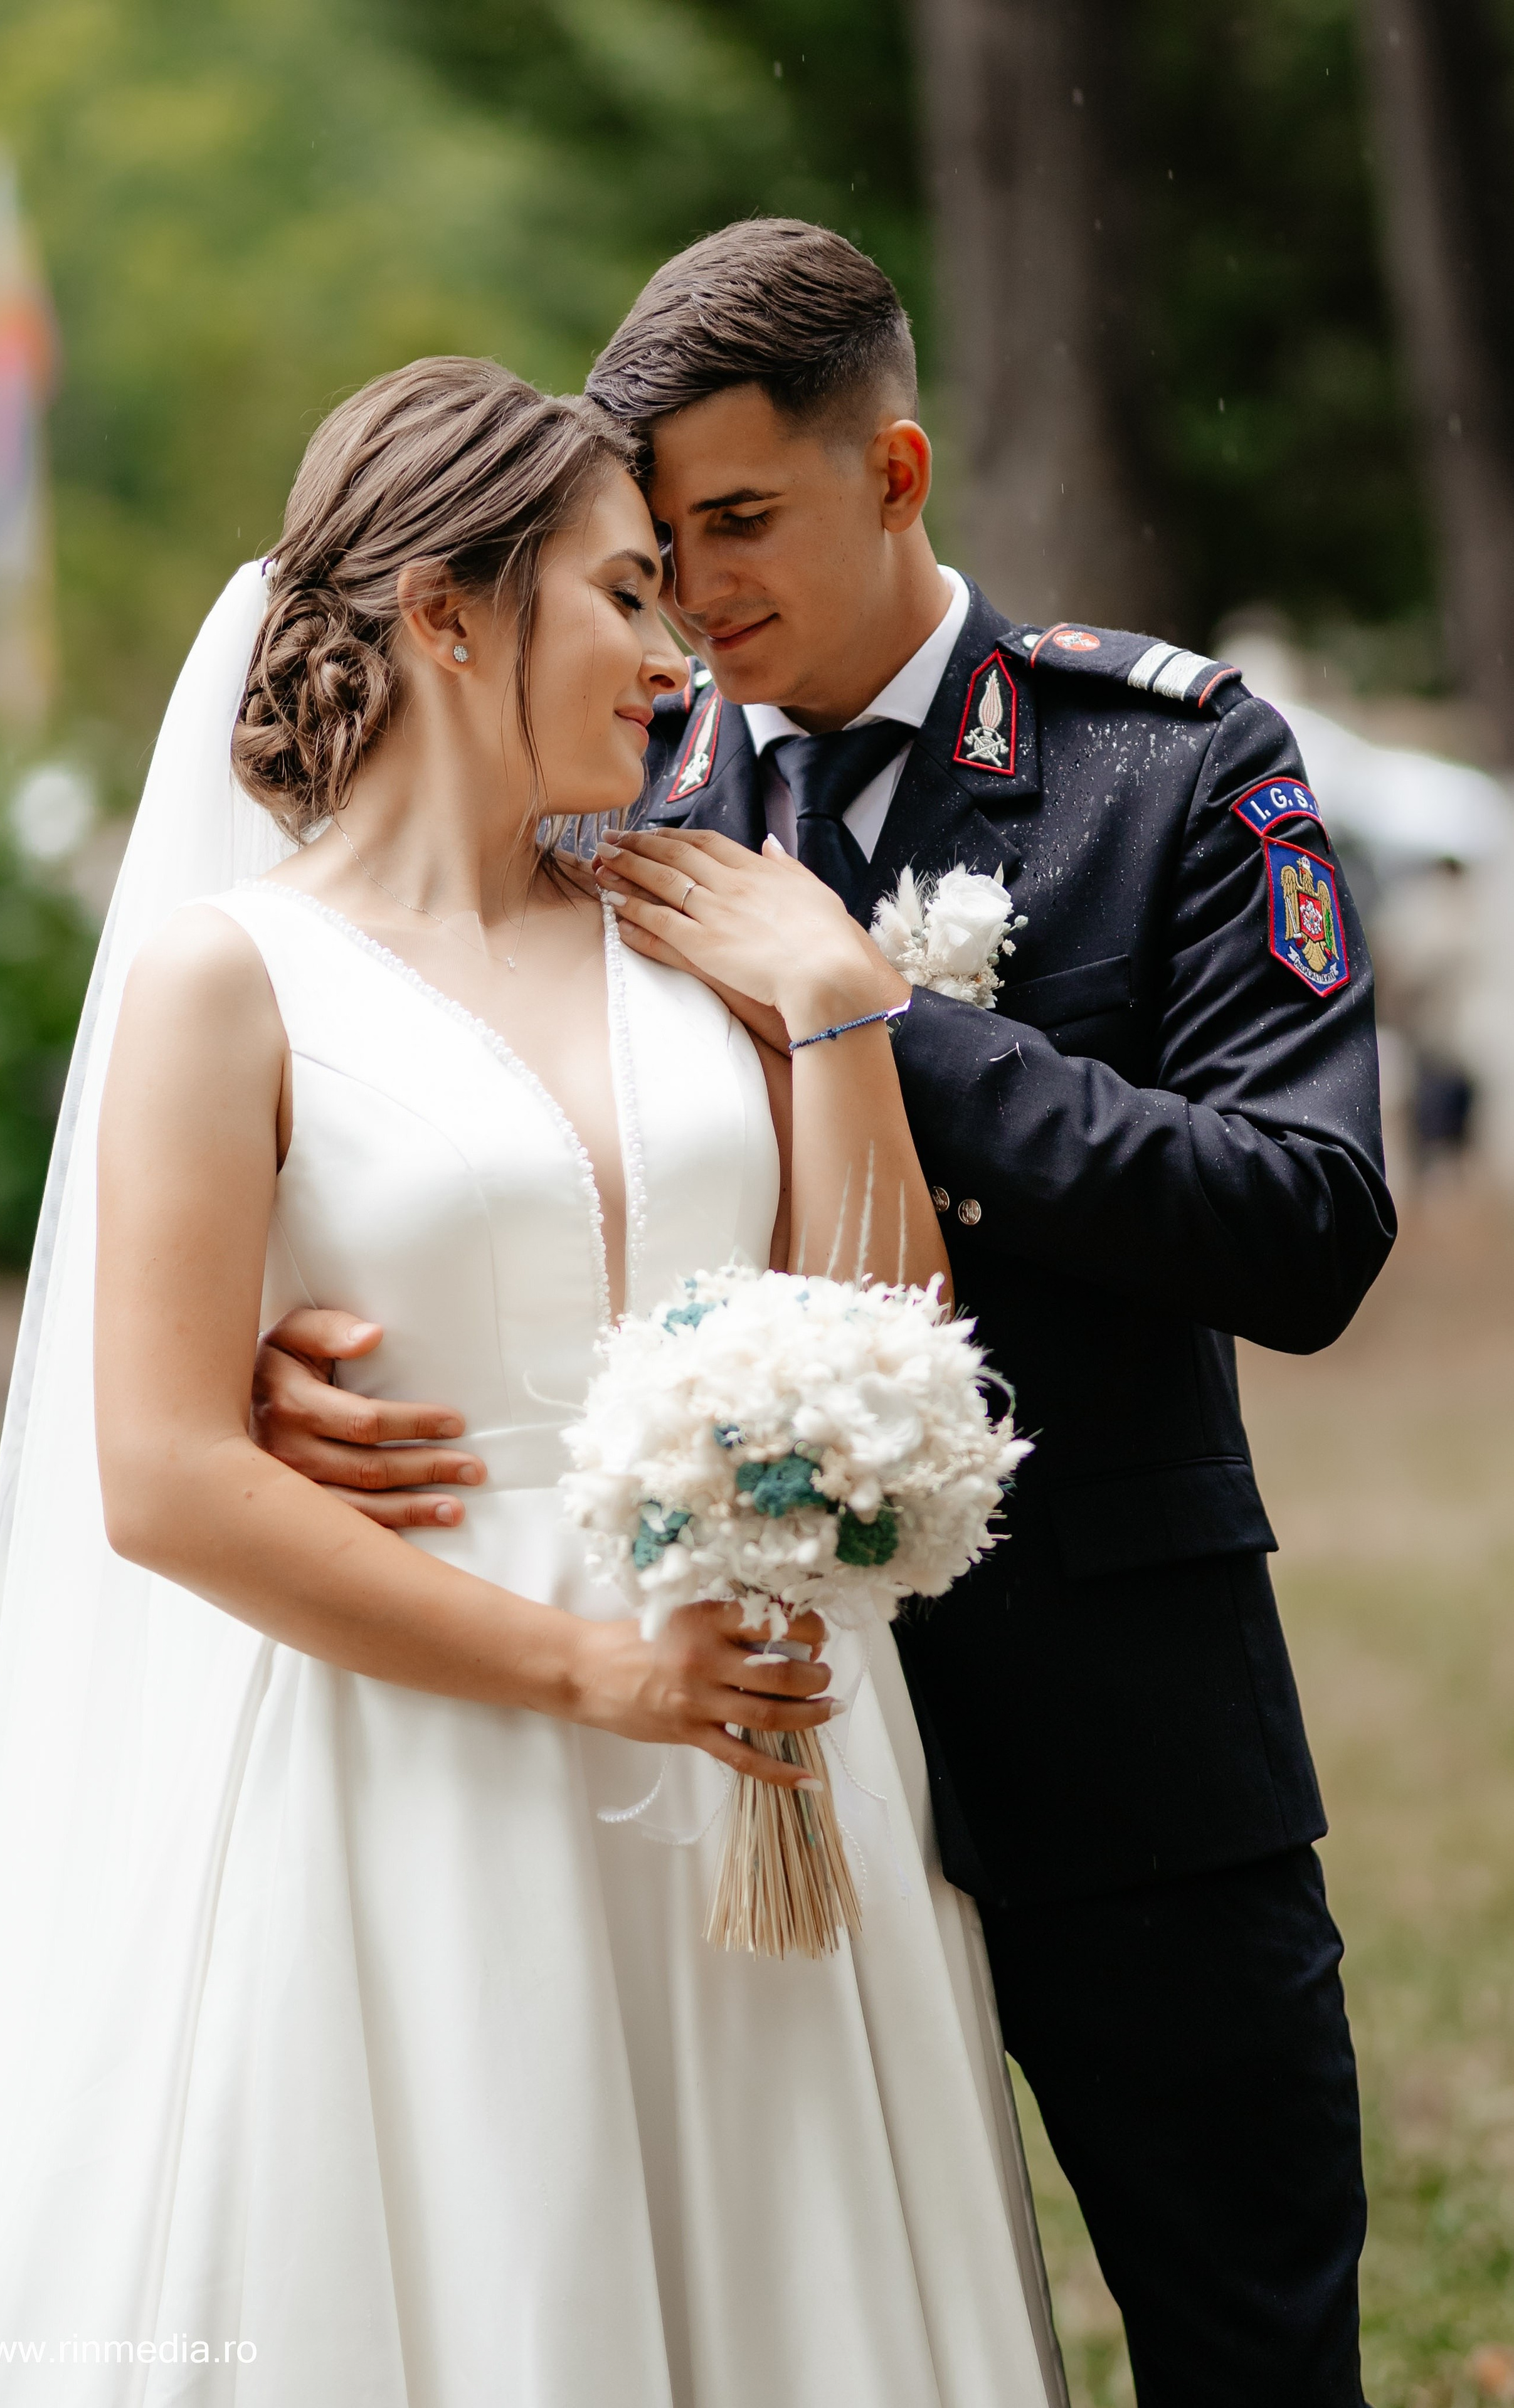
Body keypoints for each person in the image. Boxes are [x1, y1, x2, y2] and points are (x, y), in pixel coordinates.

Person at [255, 225, 1395, 2406]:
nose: (693, 597)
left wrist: (886, 1018)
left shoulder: (1162, 762)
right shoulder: (605, 799)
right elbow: (446, 1120)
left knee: (1250, 2342)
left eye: (745, 522)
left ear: (897, 469)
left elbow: (1308, 1227)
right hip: (738, 1754)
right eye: (658, 547)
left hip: (1118, 1743)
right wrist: (301, 1341)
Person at [0, 357, 1064, 2406]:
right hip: (423, 1772)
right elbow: (163, 1476)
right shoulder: (228, 979)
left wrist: (836, 1010)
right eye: (623, 593)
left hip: (770, 1750)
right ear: (448, 614)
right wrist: (600, 1673)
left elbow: (897, 1343)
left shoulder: (693, 930)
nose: (676, 657)